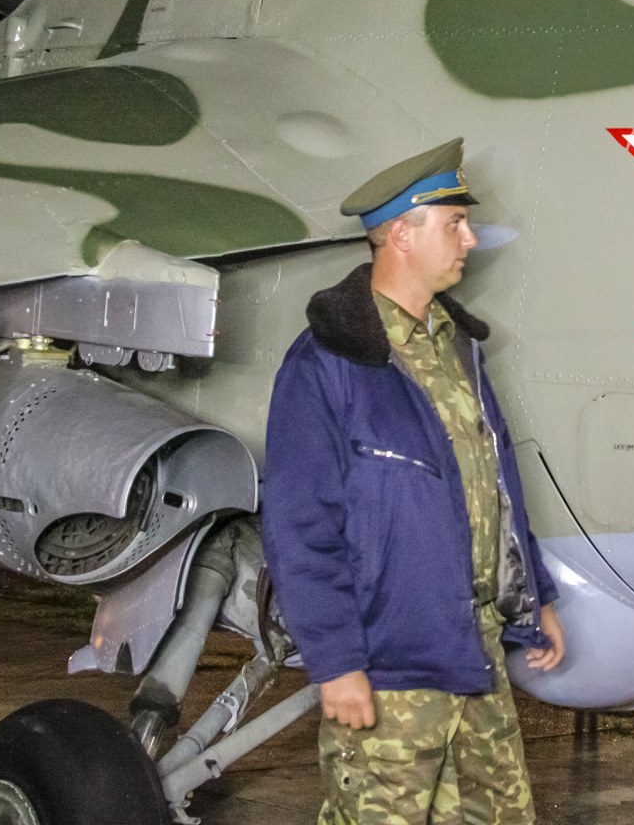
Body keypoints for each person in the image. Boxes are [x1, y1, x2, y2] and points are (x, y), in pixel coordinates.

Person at [262, 138, 565, 825]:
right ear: (402, 233)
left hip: (474, 651)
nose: (471, 238)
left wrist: (535, 597)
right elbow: (299, 526)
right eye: (455, 223)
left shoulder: (456, 347)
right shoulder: (328, 364)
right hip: (388, 666)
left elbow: (495, 485)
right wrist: (335, 661)